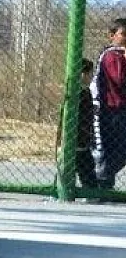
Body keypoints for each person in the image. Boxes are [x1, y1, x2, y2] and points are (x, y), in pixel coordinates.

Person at [92, 18, 126, 189]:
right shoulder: (111, 55)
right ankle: (101, 178)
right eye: (123, 34)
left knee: (117, 149)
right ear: (112, 36)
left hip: (120, 109)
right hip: (112, 110)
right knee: (115, 148)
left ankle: (104, 180)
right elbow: (119, 80)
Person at [55, 58, 97, 192]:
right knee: (80, 167)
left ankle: (87, 190)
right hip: (76, 139)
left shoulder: (86, 91)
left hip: (82, 140)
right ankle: (86, 191)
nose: (91, 77)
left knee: (83, 167)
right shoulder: (77, 92)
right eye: (90, 73)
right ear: (82, 74)